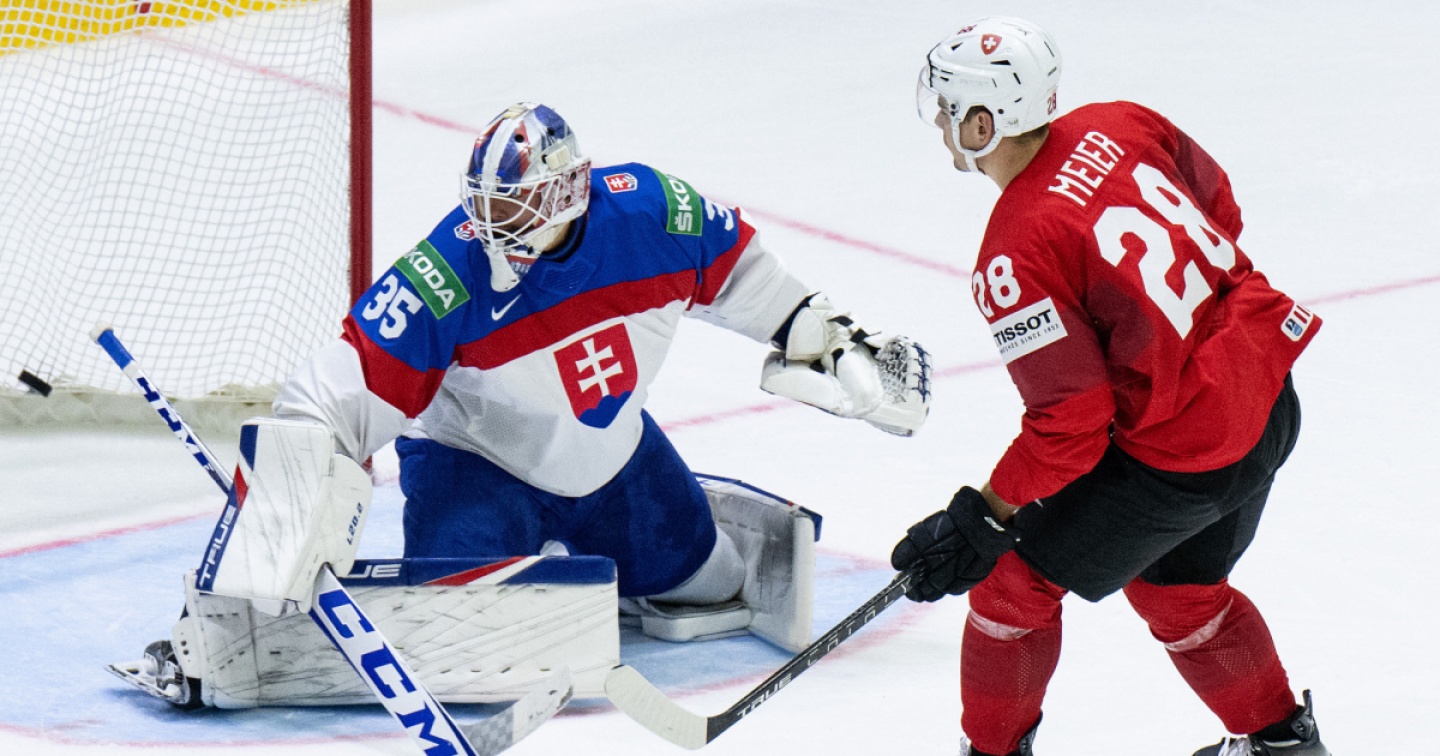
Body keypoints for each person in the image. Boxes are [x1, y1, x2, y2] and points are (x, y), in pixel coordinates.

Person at [269, 101, 930, 634]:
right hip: (476, 466)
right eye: (487, 201)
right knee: (458, 626)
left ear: (567, 189)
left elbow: (745, 276)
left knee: (711, 585)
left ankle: (625, 542)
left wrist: (828, 341)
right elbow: (346, 381)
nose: (493, 221)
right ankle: (528, 555)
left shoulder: (652, 213)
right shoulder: (446, 272)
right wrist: (295, 470)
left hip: (610, 458)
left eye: (513, 203)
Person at [887, 17, 1328, 756]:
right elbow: (1221, 208)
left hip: (1188, 455)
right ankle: (1283, 747)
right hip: (1267, 394)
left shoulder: (1014, 254)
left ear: (983, 122)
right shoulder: (1121, 121)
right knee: (1177, 590)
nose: (938, 121)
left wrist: (984, 515)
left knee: (1009, 586)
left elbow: (1073, 424)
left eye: (949, 107)